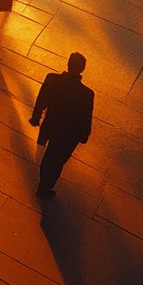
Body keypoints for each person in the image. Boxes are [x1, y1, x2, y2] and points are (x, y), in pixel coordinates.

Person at [29, 52, 93, 198]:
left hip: (53, 125)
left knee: (50, 155)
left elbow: (42, 99)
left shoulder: (52, 79)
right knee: (58, 160)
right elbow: (86, 116)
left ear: (68, 64)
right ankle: (46, 187)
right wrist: (85, 134)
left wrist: (36, 116)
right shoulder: (87, 94)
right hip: (70, 133)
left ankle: (43, 185)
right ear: (82, 69)